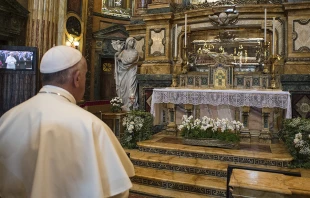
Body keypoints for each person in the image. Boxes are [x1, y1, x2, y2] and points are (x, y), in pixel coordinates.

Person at [0, 46, 134, 198]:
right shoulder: (91, 126)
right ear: (77, 78)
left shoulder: (7, 118)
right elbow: (117, 191)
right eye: (84, 76)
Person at [115, 37, 139, 111]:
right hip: (123, 72)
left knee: (130, 87)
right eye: (130, 41)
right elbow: (117, 57)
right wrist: (118, 53)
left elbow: (130, 60)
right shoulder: (123, 52)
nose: (132, 43)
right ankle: (124, 104)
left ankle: (131, 105)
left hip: (132, 71)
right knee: (123, 88)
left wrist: (121, 59)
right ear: (127, 42)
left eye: (133, 41)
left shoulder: (135, 52)